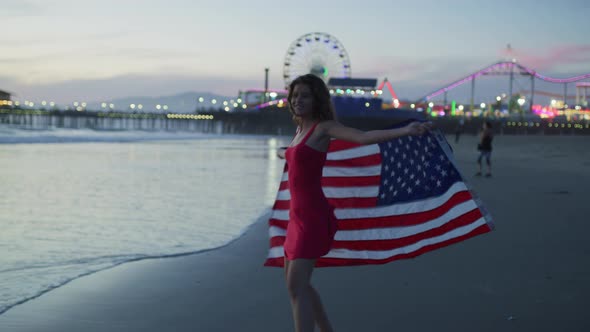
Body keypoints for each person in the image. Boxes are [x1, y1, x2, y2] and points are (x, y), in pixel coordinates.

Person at [275, 74, 432, 332]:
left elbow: (362, 137)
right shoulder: (299, 131)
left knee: (296, 286)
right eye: (294, 96)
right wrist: (282, 152)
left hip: (312, 218)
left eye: (304, 95)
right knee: (297, 284)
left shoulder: (323, 128)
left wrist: (405, 130)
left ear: (317, 99)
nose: (297, 100)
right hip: (296, 218)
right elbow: (293, 155)